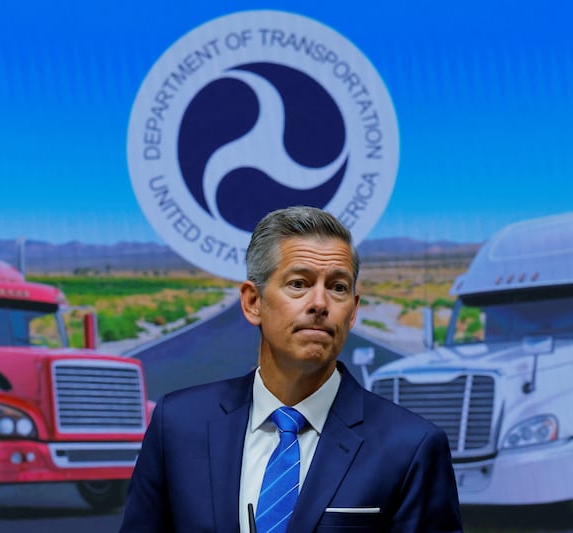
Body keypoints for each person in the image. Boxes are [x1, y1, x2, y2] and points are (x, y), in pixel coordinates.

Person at [119, 206, 463, 532]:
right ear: (253, 302)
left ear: (353, 311)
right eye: (299, 283)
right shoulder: (177, 425)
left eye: (338, 287)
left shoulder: (411, 447)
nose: (319, 303)